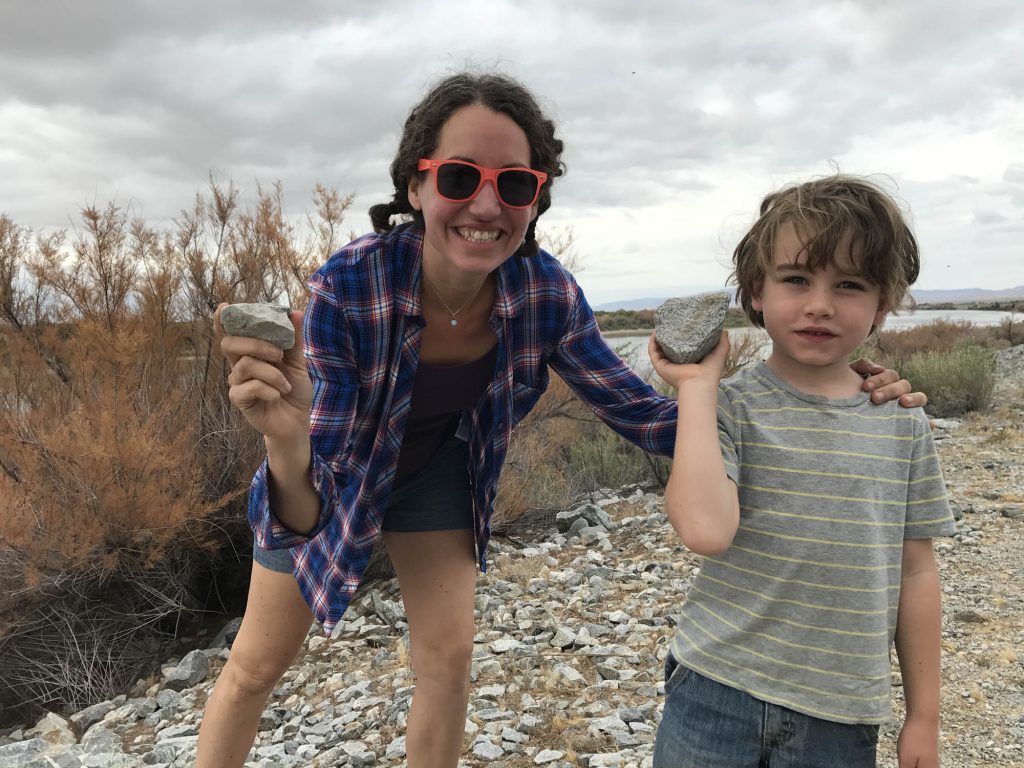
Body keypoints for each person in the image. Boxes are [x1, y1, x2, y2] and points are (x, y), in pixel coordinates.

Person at [199, 72, 926, 768]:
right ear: (416, 186)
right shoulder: (351, 284)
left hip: (441, 476)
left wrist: (808, 398)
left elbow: (639, 412)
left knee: (447, 662)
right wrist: (284, 440)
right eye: (459, 177)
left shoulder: (543, 292)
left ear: (535, 198)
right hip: (332, 475)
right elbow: (310, 486)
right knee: (257, 665)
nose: (485, 205)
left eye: (513, 183)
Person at [648, 174, 955, 768]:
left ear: (882, 304)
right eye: (796, 279)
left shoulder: (901, 421)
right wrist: (697, 387)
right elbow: (705, 531)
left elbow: (916, 573)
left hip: (841, 715)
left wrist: (924, 717)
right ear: (756, 292)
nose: (820, 303)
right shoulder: (727, 406)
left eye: (850, 284)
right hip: (716, 690)